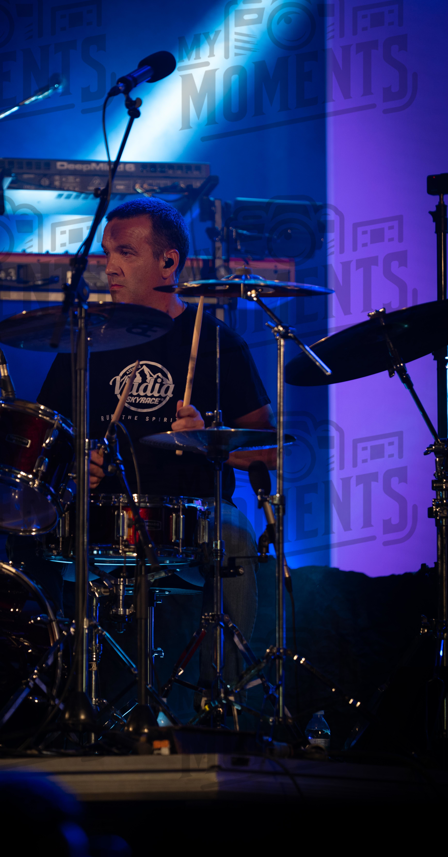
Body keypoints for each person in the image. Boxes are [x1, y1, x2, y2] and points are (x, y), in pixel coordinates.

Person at [37, 198, 275, 702]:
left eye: (126, 253)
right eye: (107, 253)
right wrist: (75, 465)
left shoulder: (218, 344)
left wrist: (209, 440)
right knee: (29, 528)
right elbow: (46, 441)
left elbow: (269, 452)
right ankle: (55, 691)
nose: (110, 267)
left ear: (169, 261)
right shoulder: (87, 340)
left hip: (195, 516)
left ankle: (223, 697)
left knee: (236, 534)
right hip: (100, 513)